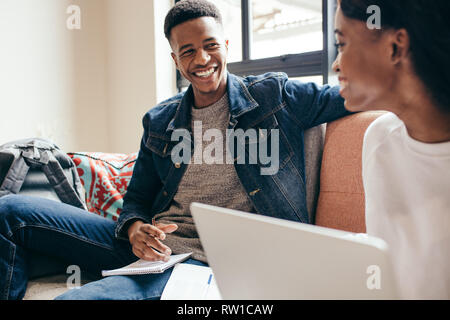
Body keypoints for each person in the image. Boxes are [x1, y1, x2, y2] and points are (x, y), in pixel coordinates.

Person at [0, 0, 349, 300]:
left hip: (198, 263)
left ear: (226, 44)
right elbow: (136, 199)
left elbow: (350, 96)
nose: (202, 58)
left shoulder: (275, 97)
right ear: (175, 60)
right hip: (153, 247)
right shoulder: (160, 120)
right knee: (10, 211)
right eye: (188, 51)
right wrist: (135, 228)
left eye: (211, 45)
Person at [332, 0, 450, 299]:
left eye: (342, 44)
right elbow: (386, 272)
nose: (336, 64)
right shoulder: (379, 140)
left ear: (395, 47)